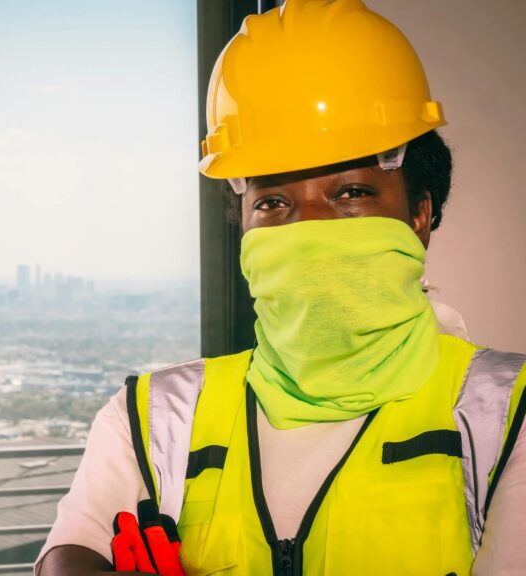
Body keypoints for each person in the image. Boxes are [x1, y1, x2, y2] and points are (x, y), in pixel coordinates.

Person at [36, 0, 526, 574]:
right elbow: (69, 556)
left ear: (420, 214)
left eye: (351, 193)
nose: (309, 226)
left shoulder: (503, 415)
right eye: (273, 202)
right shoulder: (153, 418)